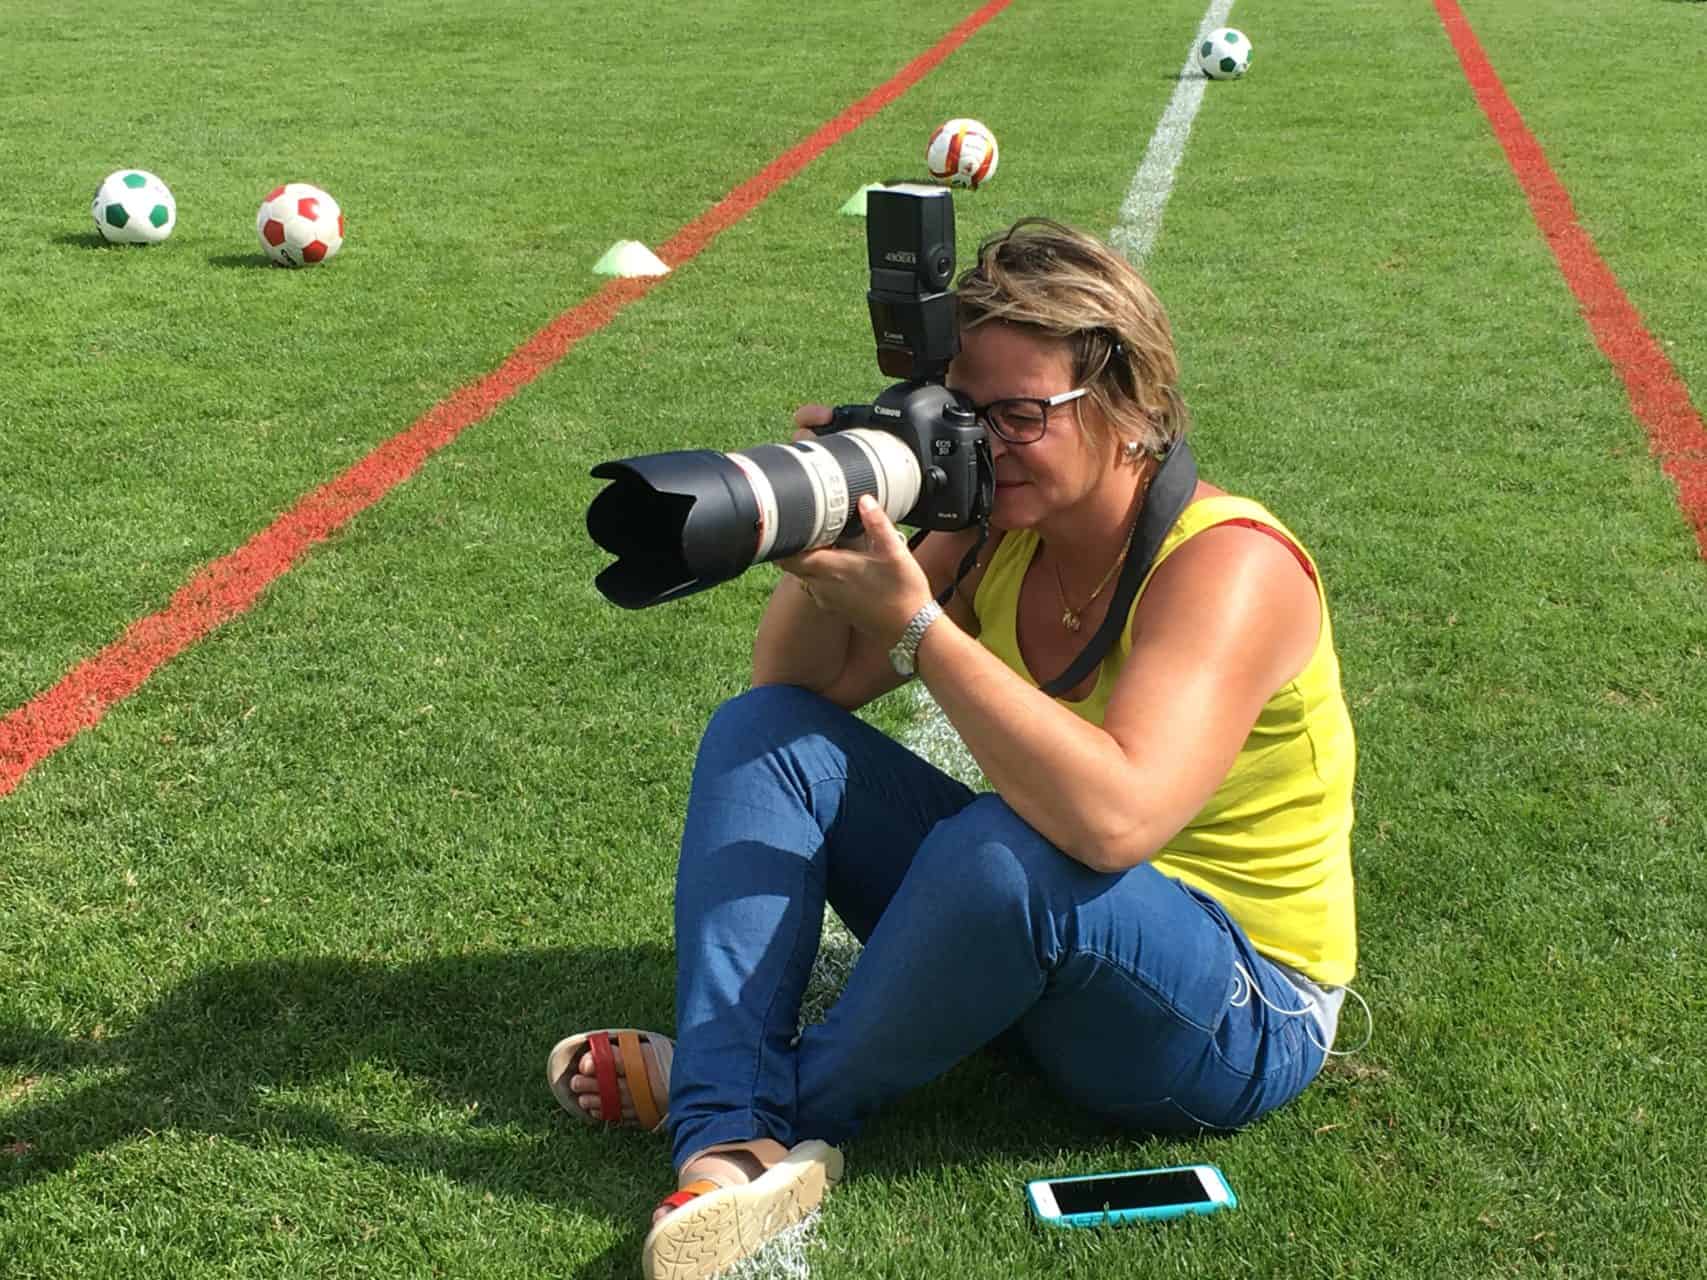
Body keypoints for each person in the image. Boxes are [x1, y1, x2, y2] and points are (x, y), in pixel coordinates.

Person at [548, 218, 1359, 1280]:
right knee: (763, 739)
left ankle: (767, 1091)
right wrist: (819, 536)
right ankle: (727, 1126)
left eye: (1020, 414)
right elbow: (797, 698)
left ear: (1133, 409)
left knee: (1007, 847)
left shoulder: (1231, 566)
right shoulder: (997, 527)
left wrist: (921, 629)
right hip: (1059, 940)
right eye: (966, 413)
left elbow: (1117, 818)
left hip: (1241, 1005)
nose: (984, 445)